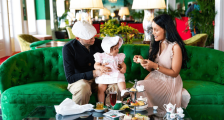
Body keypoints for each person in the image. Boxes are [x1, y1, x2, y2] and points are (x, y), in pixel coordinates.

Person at [133, 14, 191, 110]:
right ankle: (144, 114)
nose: (153, 33)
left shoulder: (175, 47)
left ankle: (148, 113)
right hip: (155, 78)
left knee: (139, 86)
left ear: (166, 29)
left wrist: (155, 66)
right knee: (137, 87)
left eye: (156, 30)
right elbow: (150, 69)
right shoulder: (155, 44)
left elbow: (175, 73)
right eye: (152, 29)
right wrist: (143, 61)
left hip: (169, 81)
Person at [62, 21, 116, 105]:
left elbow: (111, 58)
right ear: (77, 38)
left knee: (115, 87)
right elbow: (70, 77)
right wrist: (93, 73)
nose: (93, 39)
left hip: (101, 78)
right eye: (89, 37)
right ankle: (80, 116)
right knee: (83, 87)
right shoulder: (68, 48)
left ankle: (111, 114)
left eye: (93, 36)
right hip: (80, 80)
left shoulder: (101, 44)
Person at [93, 36, 127, 103]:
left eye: (117, 48)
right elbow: (96, 65)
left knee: (121, 80)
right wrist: (100, 67)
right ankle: (101, 104)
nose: (117, 50)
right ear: (107, 49)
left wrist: (124, 68)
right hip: (105, 74)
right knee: (101, 88)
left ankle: (123, 91)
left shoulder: (118, 56)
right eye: (115, 48)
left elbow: (123, 64)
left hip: (115, 73)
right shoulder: (101, 56)